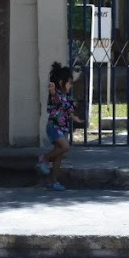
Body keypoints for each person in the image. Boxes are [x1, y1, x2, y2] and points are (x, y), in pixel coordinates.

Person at [37, 62, 83, 192]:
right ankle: (44, 159)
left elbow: (67, 109)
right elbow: (57, 100)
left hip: (62, 128)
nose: (71, 85)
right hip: (54, 127)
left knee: (59, 156)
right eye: (69, 82)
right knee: (65, 147)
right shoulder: (56, 94)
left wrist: (75, 118)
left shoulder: (65, 96)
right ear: (62, 82)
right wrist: (52, 92)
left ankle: (53, 182)